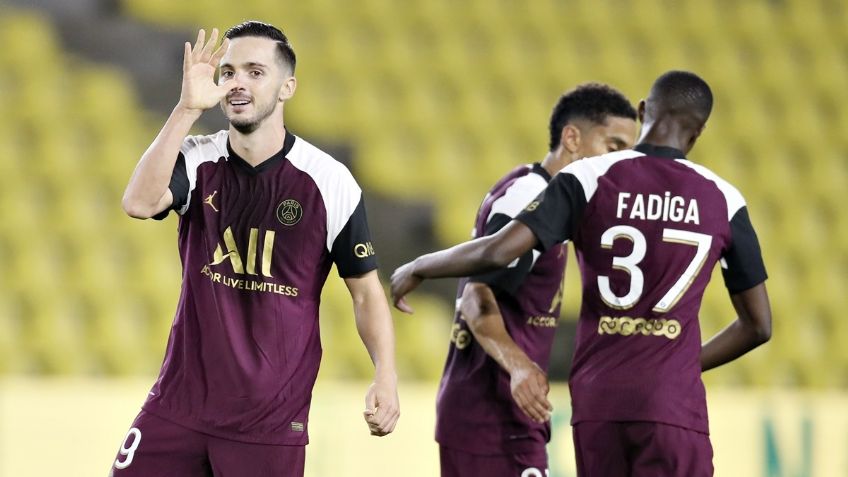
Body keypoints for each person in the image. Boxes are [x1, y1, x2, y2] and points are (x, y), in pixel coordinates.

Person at [391, 70, 771, 477]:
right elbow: (758, 326)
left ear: (644, 111)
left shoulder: (588, 178)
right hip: (671, 406)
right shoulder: (724, 199)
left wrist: (419, 265)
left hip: (598, 404)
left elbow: (498, 250)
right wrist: (679, 364)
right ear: (699, 132)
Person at [112, 21, 399, 477]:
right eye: (227, 72)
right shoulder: (197, 157)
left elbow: (366, 292)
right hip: (178, 405)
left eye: (254, 71)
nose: (237, 82)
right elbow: (139, 203)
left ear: (287, 88)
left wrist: (385, 374)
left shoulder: (328, 181)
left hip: (268, 422)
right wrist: (186, 109)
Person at [430, 84, 637, 477]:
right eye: (614, 147)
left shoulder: (545, 197)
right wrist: (521, 367)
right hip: (490, 415)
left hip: (501, 415)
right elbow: (476, 294)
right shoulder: (529, 197)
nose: (622, 164)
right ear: (572, 138)